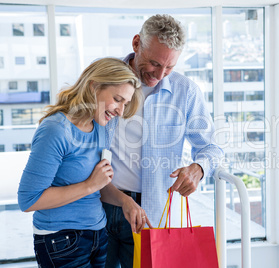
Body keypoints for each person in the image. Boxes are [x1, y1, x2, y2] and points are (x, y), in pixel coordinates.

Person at [102, 14, 224, 268]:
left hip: (150, 213)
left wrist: (199, 168)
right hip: (98, 203)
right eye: (154, 63)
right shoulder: (104, 77)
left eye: (169, 67)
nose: (160, 74)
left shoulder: (186, 92)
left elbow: (213, 147)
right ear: (136, 43)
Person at [17, 57, 142, 268]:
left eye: (126, 104)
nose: (121, 111)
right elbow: (29, 200)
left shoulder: (100, 127)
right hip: (61, 241)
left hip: (98, 235)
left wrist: (125, 201)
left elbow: (98, 184)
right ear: (94, 86)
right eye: (118, 99)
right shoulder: (55, 130)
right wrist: (90, 185)